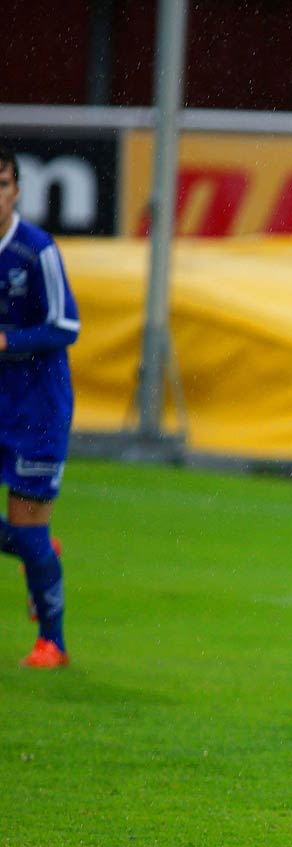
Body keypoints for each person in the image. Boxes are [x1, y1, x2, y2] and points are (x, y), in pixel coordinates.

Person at [0, 148, 76, 669]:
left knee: (26, 529)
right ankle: (39, 551)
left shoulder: (36, 251)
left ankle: (53, 642)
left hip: (35, 410)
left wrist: (9, 343)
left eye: (1, 182)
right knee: (31, 541)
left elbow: (65, 326)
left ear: (17, 189)